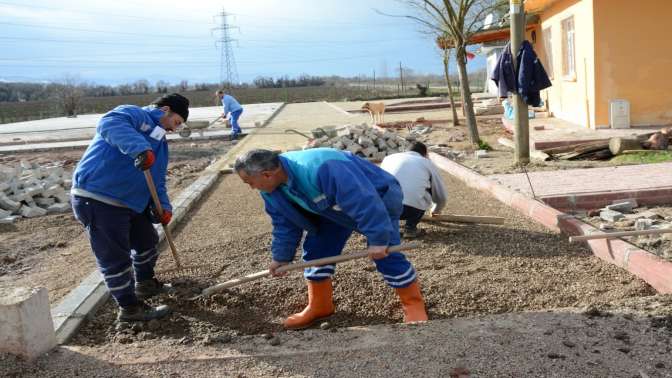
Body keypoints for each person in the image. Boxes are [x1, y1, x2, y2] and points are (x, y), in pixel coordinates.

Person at [234, 148, 428, 329]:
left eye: (249, 182)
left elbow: (365, 201)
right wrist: (281, 257)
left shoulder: (323, 169)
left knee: (386, 255)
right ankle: (320, 305)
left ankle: (413, 304)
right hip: (329, 208)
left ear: (267, 174)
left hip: (377, 199)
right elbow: (285, 225)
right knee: (317, 252)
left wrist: (378, 239)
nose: (251, 187)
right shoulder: (271, 191)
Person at [70, 93, 190, 323]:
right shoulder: (134, 114)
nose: (175, 129)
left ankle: (144, 283)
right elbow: (109, 123)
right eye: (176, 122)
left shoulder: (161, 144)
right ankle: (129, 308)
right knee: (115, 257)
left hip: (131, 204)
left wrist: (163, 207)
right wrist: (139, 149)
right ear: (165, 110)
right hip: (98, 197)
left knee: (147, 242)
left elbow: (158, 180)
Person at [381, 142, 447, 238]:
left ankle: (386, 227)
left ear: (406, 151)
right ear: (425, 154)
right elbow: (441, 196)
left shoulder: (388, 158)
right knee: (426, 189)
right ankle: (410, 228)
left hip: (383, 208)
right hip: (409, 210)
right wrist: (436, 210)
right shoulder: (427, 163)